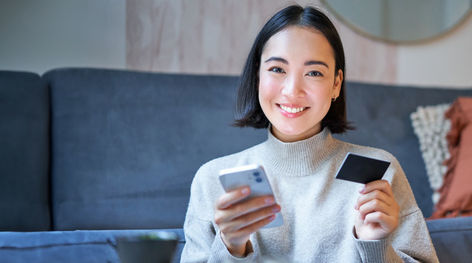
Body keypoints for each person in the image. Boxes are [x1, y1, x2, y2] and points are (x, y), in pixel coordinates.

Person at [180, 5, 439, 263]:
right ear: (258, 75)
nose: (292, 91)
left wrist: (376, 247)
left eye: (314, 72)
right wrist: (231, 248)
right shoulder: (212, 180)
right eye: (277, 69)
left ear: (336, 84)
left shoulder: (380, 174)